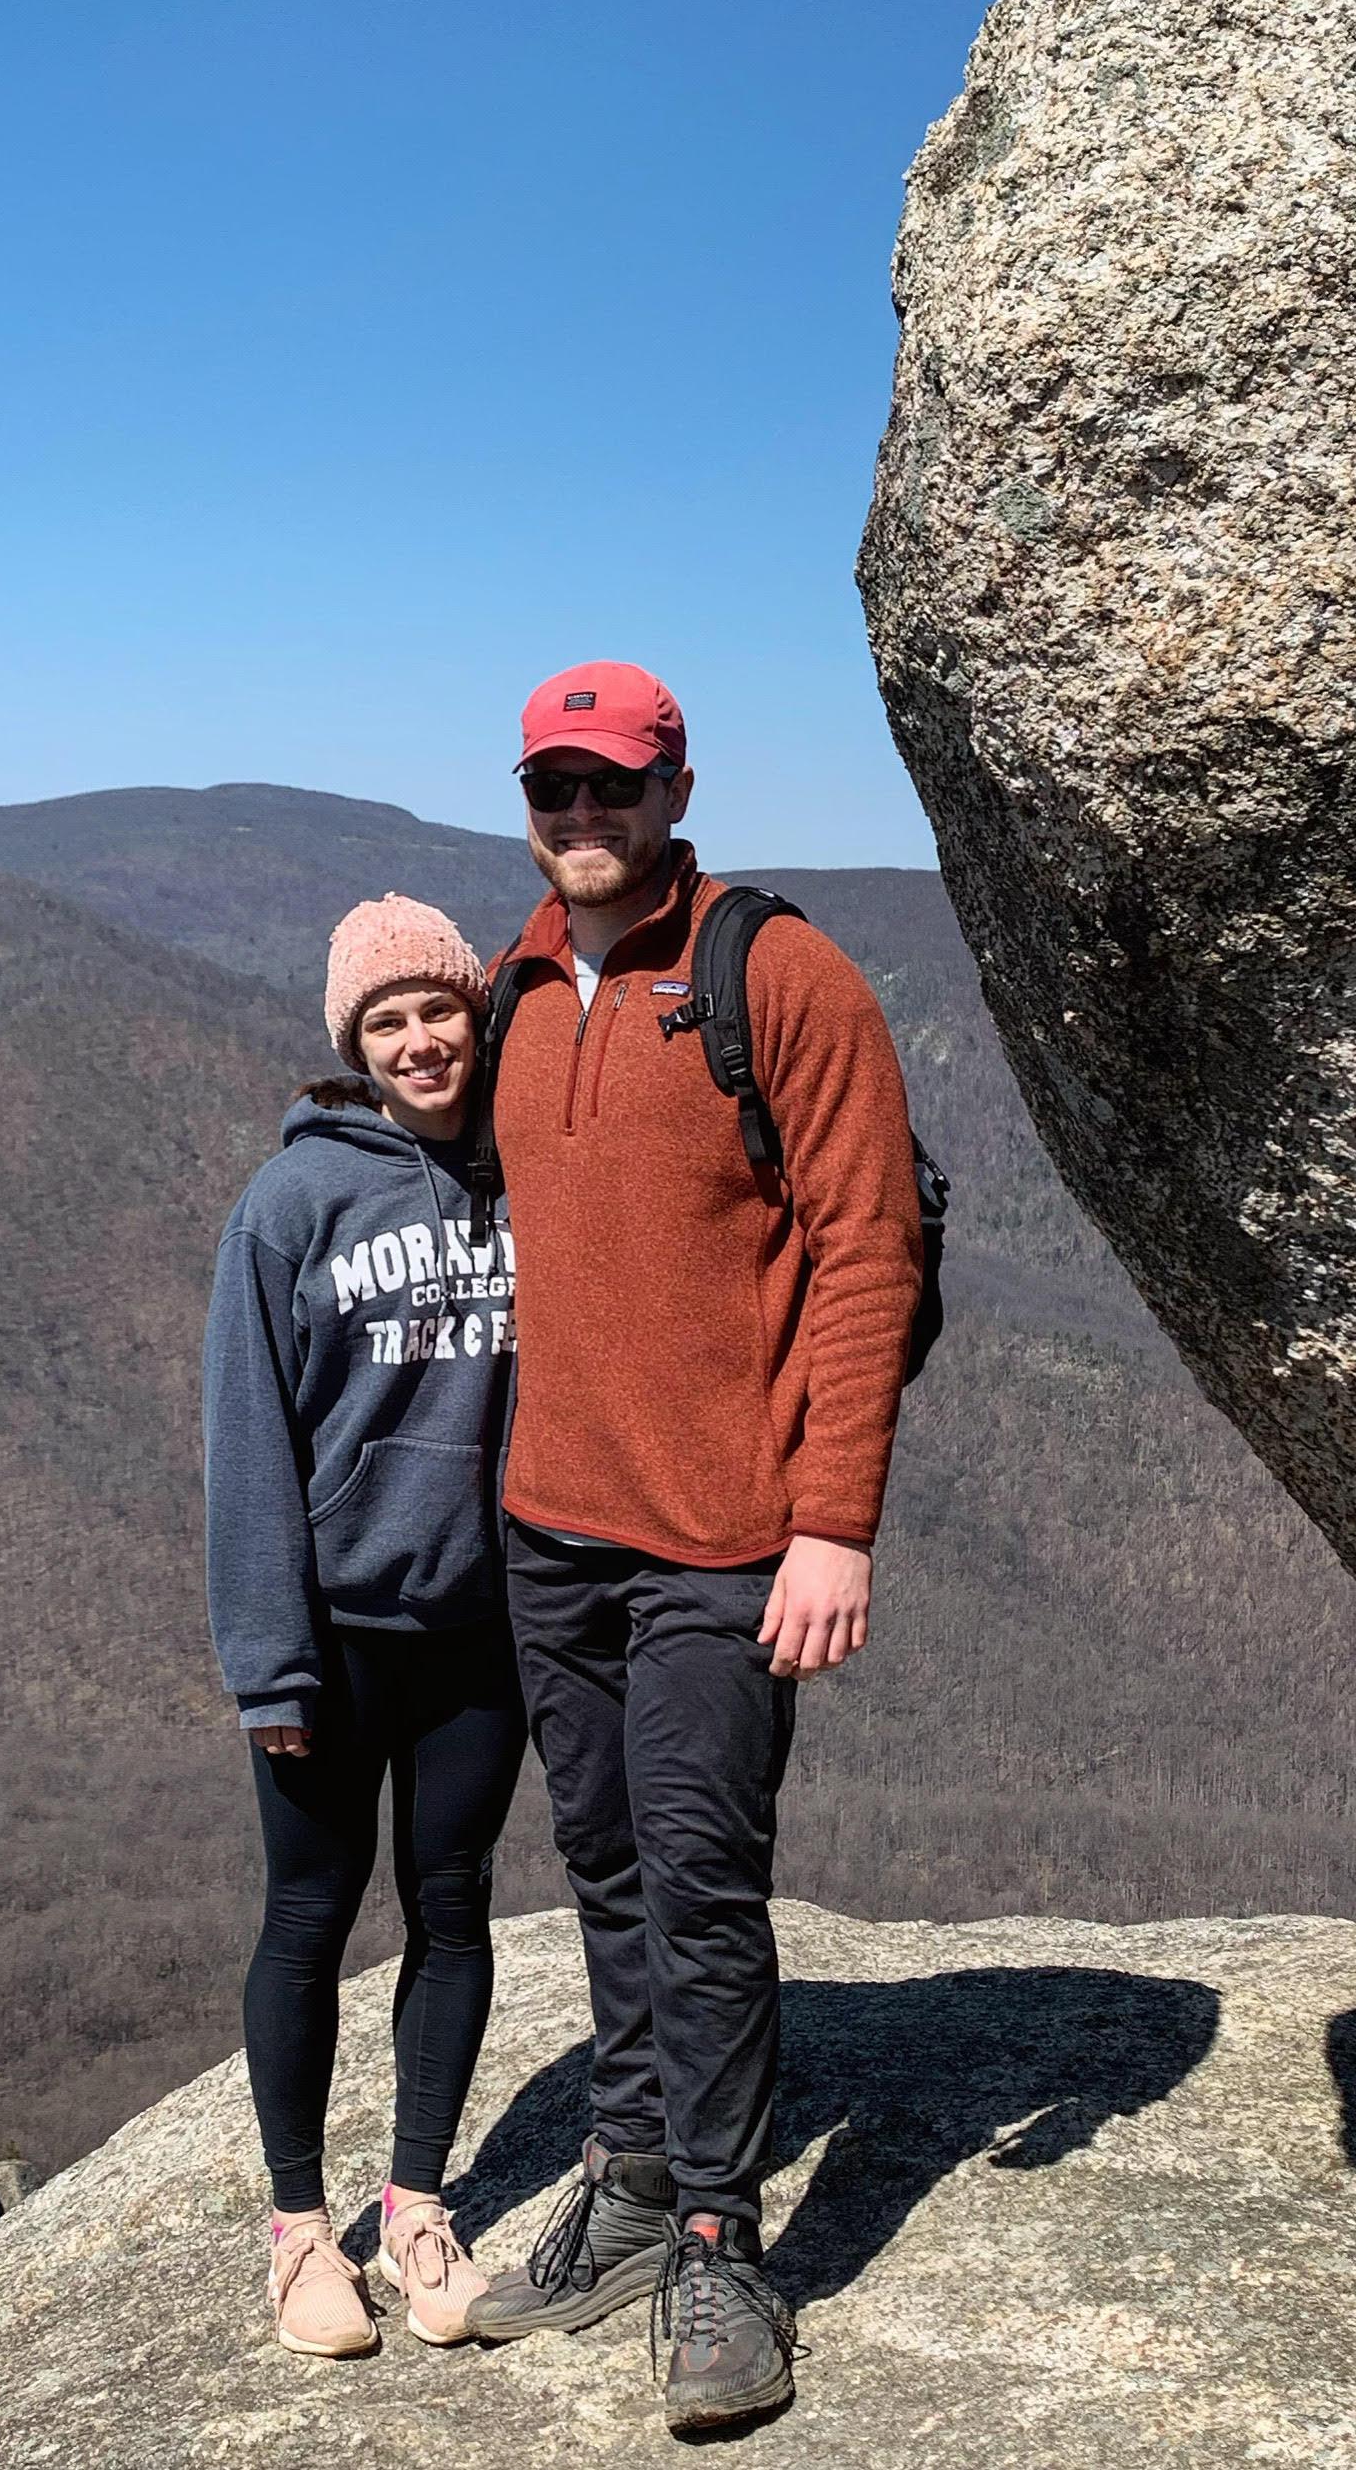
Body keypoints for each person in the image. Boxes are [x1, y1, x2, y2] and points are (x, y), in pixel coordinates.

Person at [466, 663, 923, 2435]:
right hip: (552, 1528)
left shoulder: (775, 977)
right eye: (552, 791)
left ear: (673, 791)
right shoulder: (511, 985)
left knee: (702, 1877)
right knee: (603, 1863)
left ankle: (728, 2240)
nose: (582, 820)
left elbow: (868, 1250)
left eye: (611, 789)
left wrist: (834, 1522)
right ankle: (640, 2174)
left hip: (727, 1537)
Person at [201, 895, 527, 2360]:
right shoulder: (290, 1208)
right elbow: (247, 1442)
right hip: (334, 1634)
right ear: (353, 1046)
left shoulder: (530, 1174)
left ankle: (416, 2209)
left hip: (485, 1629)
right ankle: (294, 2233)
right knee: (311, 1920)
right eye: (386, 1022)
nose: (418, 1040)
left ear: (476, 1013)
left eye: (438, 1009)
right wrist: (269, 1658)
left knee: (450, 1908)